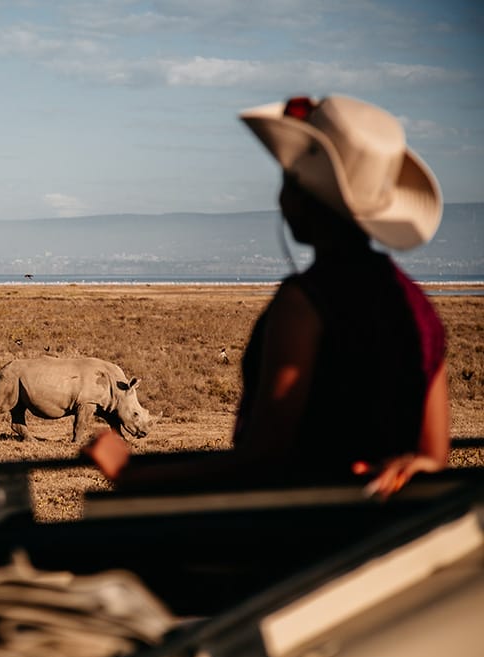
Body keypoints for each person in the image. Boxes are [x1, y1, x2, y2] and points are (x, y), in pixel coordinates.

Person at [83, 94, 451, 499]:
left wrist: (133, 473)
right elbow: (434, 455)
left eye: (288, 180)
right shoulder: (419, 307)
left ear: (304, 197)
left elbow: (264, 458)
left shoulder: (305, 304)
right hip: (380, 528)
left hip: (303, 528)